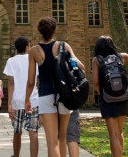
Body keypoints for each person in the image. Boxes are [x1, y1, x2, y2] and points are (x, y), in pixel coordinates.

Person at [26, 16, 85, 157]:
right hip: (64, 94)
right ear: (54, 30)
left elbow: (30, 81)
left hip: (46, 95)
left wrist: (27, 99)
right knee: (63, 137)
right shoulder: (63, 46)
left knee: (52, 142)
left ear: (39, 31)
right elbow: (81, 66)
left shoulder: (34, 51)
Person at [4, 36, 40, 157]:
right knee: (33, 132)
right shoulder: (33, 60)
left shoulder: (11, 61)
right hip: (33, 100)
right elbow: (37, 79)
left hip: (17, 102)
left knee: (17, 131)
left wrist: (9, 104)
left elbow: (11, 83)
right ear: (27, 47)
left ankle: (16, 155)